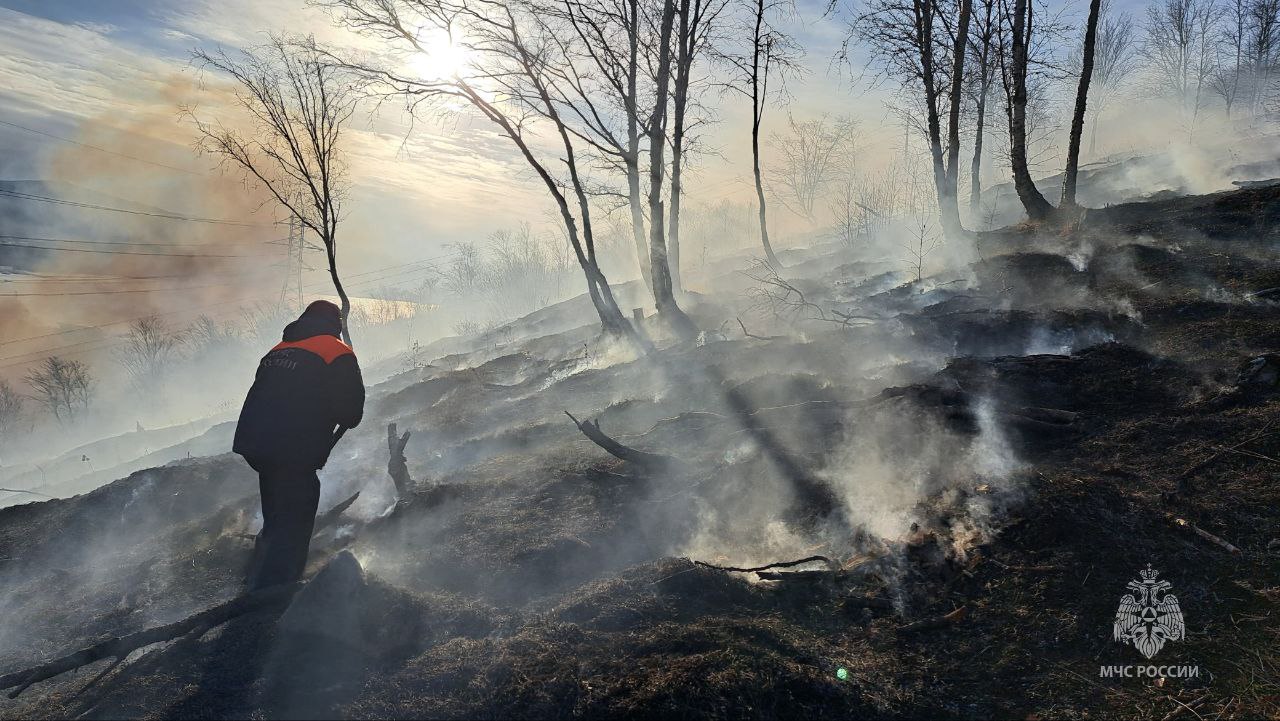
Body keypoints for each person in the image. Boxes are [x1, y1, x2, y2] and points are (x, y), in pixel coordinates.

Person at [233, 300, 364, 590]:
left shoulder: (278, 350)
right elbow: (351, 414)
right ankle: (276, 591)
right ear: (336, 324)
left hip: (257, 445)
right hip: (293, 449)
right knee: (295, 520)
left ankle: (256, 577)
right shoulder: (337, 351)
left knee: (276, 514)